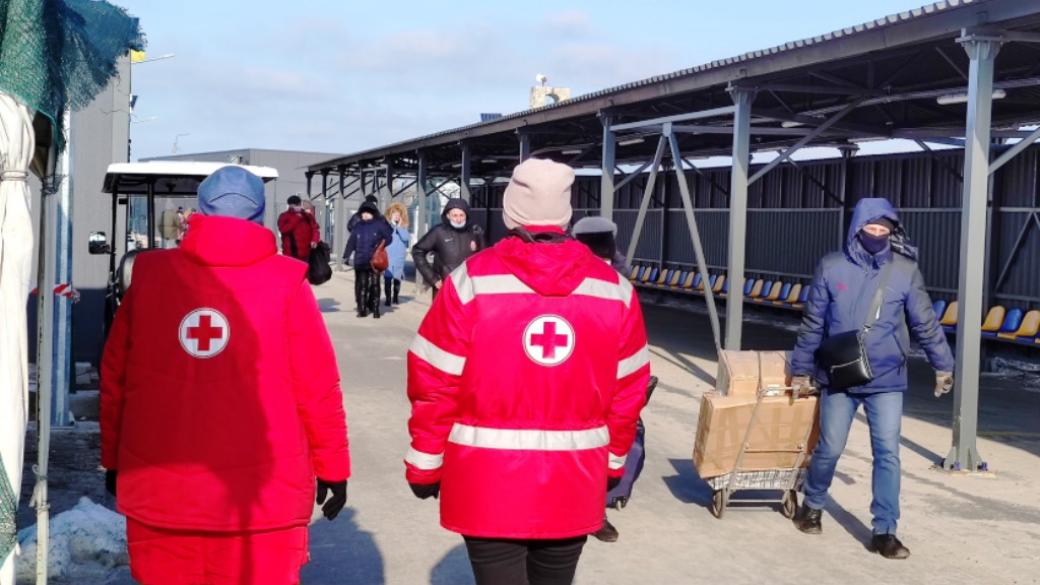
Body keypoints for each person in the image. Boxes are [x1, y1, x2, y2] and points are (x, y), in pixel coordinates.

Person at [100, 166, 351, 585]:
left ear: (200, 211)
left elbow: (115, 379)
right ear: (260, 215)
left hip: (161, 494)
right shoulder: (288, 282)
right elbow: (317, 386)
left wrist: (113, 458)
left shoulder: (149, 275)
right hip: (263, 502)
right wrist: (333, 467)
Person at [405, 158, 650, 585]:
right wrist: (613, 464)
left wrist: (425, 462)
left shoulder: (470, 281)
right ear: (566, 214)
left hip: (486, 481)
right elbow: (628, 392)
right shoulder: (615, 291)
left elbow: (434, 381)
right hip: (575, 478)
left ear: (509, 211)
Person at [789, 197, 955, 560]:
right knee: (830, 447)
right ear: (857, 229)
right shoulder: (832, 267)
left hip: (886, 376)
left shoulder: (905, 271)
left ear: (892, 231)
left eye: (884, 229)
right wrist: (801, 370)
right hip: (840, 376)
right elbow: (813, 323)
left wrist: (943, 364)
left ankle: (885, 531)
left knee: (887, 454)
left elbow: (924, 322)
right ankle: (812, 505)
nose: (877, 234)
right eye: (871, 228)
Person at [572, 216, 650, 544]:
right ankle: (588, 511)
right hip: (578, 373)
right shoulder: (571, 279)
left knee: (613, 437)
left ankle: (595, 510)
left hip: (605, 375)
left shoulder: (619, 285)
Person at [411, 198, 485, 295]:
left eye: (461, 215)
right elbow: (418, 251)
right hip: (444, 288)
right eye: (455, 215)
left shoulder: (475, 232)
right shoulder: (438, 232)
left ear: (466, 215)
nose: (458, 219)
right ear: (448, 215)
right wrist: (433, 278)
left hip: (468, 289)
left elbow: (485, 256)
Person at [343, 199, 392, 319]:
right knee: (362, 286)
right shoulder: (358, 226)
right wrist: (346, 255)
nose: (365, 215)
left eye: (368, 212)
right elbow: (351, 241)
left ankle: (375, 309)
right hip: (360, 260)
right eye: (363, 212)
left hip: (375, 261)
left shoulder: (379, 225)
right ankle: (362, 309)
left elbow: (389, 237)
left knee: (375, 285)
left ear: (373, 213)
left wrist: (380, 246)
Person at [384, 201, 411, 307]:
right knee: (387, 279)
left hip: (399, 258)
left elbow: (406, 238)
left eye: (398, 214)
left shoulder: (403, 228)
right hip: (388, 257)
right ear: (390, 215)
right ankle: (387, 299)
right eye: (394, 213)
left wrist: (399, 227)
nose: (396, 215)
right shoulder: (387, 227)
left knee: (397, 280)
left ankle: (395, 297)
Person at [278, 195, 320, 261]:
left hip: (307, 252)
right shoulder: (284, 216)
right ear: (290, 205)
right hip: (290, 253)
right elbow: (283, 229)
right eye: (294, 205)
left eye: (298, 204)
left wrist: (315, 240)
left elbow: (315, 229)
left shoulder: (307, 216)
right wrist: (296, 218)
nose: (297, 206)